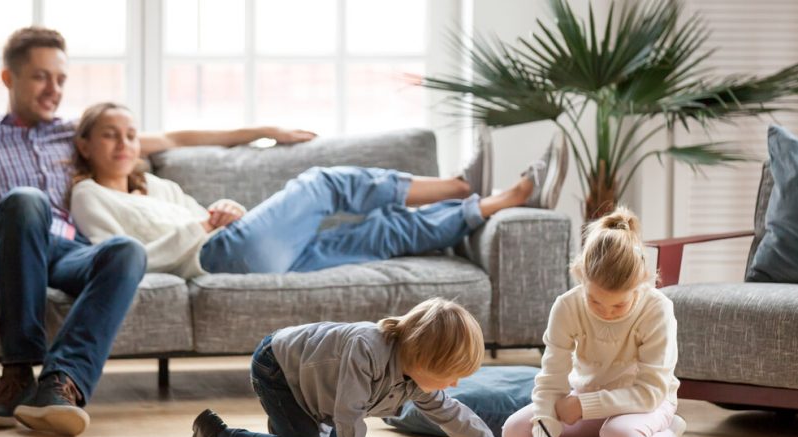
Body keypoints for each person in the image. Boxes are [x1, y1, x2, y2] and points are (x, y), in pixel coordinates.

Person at [0, 27, 314, 436]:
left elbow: (175, 137)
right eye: (40, 77)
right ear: (9, 78)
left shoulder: (72, 134)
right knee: (27, 200)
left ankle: (59, 385)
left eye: (61, 78)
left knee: (125, 250)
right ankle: (16, 374)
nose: (54, 89)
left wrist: (265, 130)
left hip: (65, 250)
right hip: (2, 250)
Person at [68, 102, 566, 278]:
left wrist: (224, 208)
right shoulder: (89, 196)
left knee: (381, 234)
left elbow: (209, 214)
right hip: (216, 256)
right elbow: (118, 257)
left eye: (130, 134)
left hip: (245, 248)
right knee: (323, 183)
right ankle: (459, 184)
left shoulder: (156, 184)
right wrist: (204, 225)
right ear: (85, 145)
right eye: (110, 134)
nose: (123, 143)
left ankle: (493, 202)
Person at [188, 297, 550, 437]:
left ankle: (288, 433)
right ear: (422, 359)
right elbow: (349, 412)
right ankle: (218, 435)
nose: (453, 385)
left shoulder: (417, 378)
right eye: (449, 375)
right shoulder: (367, 348)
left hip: (317, 389)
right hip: (279, 368)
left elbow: (458, 418)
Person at [501, 207, 686, 437]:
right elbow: (551, 381)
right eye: (595, 301)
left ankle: (667, 433)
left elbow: (650, 393)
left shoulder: (658, 309)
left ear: (641, 283)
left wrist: (582, 406)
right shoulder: (567, 306)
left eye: (619, 306)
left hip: (644, 403)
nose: (606, 313)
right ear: (581, 276)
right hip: (586, 397)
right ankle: (597, 435)